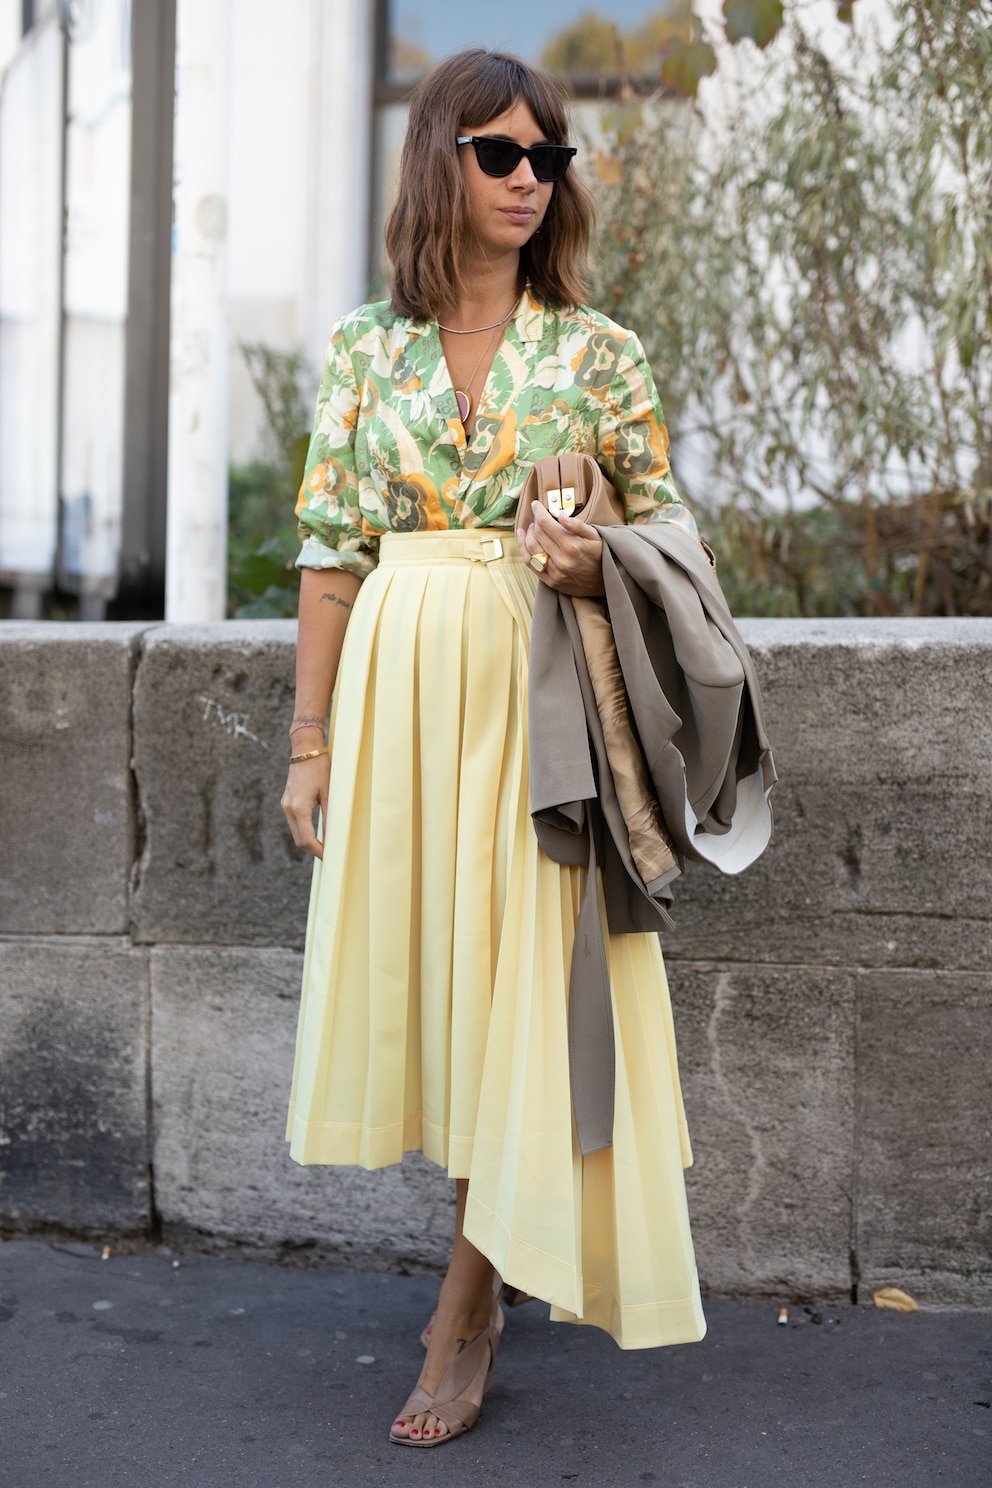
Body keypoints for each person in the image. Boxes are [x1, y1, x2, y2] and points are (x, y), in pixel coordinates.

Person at [280, 48, 706, 1449]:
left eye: (550, 160)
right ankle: (485, 1278)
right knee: (456, 1008)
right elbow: (333, 558)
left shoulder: (600, 351)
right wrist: (308, 746)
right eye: (501, 155)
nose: (531, 180)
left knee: (529, 997)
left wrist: (592, 560)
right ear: (438, 164)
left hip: (541, 715)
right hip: (403, 705)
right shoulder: (364, 351)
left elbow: (679, 552)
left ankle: (465, 1311)